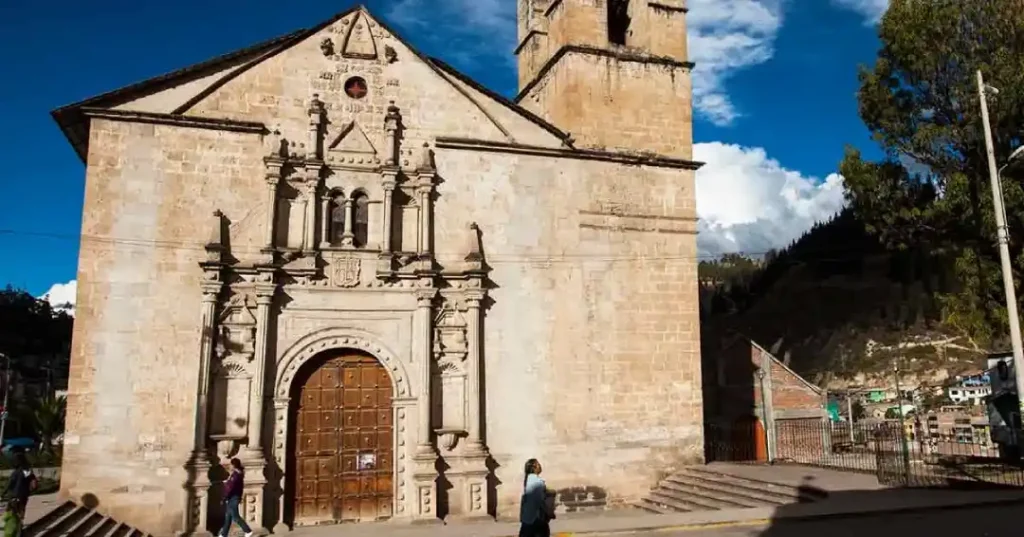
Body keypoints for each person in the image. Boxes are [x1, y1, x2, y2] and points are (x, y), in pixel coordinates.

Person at [518, 458, 555, 537]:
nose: (540, 466)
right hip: (536, 520)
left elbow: (525, 500)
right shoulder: (537, 482)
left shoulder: (528, 480)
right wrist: (549, 512)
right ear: (534, 467)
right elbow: (539, 500)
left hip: (527, 520)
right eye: (538, 464)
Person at [219, 458, 253, 537]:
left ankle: (248, 531)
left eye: (231, 464)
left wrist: (224, 497)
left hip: (233, 498)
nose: (230, 466)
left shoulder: (235, 474)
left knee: (235, 516)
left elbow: (230, 487)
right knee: (228, 517)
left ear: (234, 465)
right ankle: (223, 534)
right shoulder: (238, 474)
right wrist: (227, 482)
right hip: (233, 497)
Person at [5, 453, 36, 517]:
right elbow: (32, 479)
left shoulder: (16, 472)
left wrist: (4, 492)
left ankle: (12, 521)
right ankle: (20, 520)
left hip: (14, 494)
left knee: (10, 509)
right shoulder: (27, 470)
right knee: (22, 508)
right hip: (24, 493)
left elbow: (10, 483)